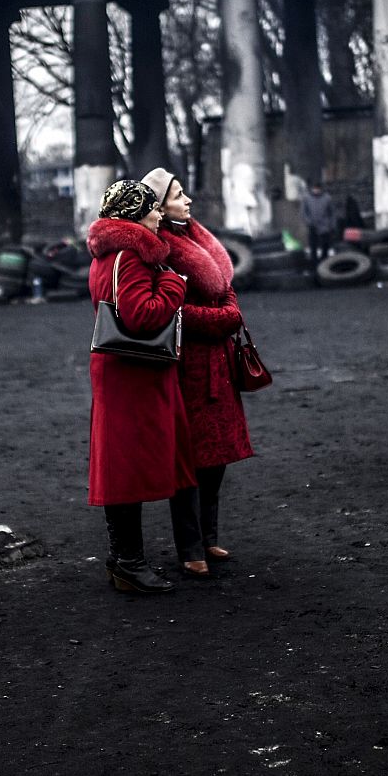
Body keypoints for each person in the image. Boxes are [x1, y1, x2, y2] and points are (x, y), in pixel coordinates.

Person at [85, 179, 197, 593]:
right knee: (126, 467)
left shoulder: (107, 255)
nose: (158, 214)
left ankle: (123, 560)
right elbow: (141, 316)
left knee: (120, 464)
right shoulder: (132, 256)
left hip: (119, 371)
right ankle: (129, 564)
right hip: (133, 373)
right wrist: (175, 285)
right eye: (151, 208)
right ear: (136, 212)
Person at [141, 167, 253, 577]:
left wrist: (227, 313)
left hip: (218, 364)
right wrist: (223, 319)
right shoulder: (158, 247)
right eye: (179, 195)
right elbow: (170, 308)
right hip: (187, 365)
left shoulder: (196, 236)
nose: (188, 201)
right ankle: (189, 547)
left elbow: (224, 287)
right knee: (189, 458)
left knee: (216, 456)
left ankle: (209, 537)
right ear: (158, 205)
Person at [298, 180, 338, 265]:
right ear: (311, 189)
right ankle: (314, 265)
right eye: (314, 189)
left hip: (325, 227)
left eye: (318, 189)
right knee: (313, 248)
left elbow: (332, 213)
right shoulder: (306, 198)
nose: (316, 190)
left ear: (321, 189)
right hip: (312, 227)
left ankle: (325, 265)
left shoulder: (327, 198)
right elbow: (303, 213)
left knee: (325, 247)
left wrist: (332, 225)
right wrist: (309, 222)